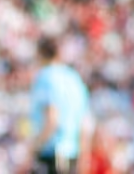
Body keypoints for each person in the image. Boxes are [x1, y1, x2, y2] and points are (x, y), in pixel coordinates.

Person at [28, 37, 92, 173]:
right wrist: (84, 157)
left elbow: (52, 120)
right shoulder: (75, 79)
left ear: (40, 54)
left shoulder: (46, 77)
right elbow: (85, 124)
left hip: (51, 154)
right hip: (72, 156)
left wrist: (33, 149)